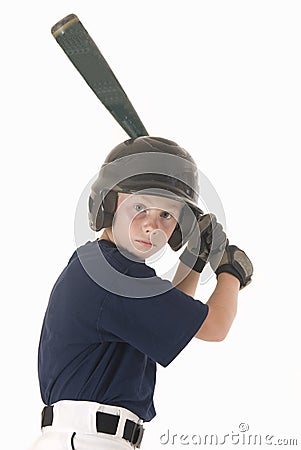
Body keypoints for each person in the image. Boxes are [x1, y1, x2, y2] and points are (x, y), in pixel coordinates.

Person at [30, 136, 253, 450]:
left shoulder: (101, 266)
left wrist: (196, 258)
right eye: (139, 206)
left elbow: (174, 316)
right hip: (90, 439)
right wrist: (232, 272)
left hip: (88, 438)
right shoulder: (117, 275)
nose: (152, 225)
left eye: (166, 214)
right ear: (107, 205)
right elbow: (215, 327)